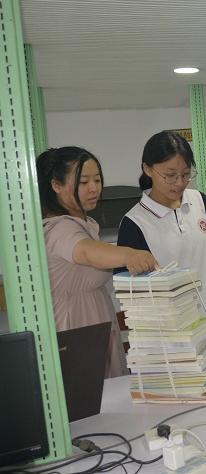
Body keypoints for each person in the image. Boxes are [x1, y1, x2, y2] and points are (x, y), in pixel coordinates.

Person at [116, 131, 206, 356]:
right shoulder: (134, 223)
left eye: (186, 174)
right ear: (147, 169)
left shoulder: (199, 202)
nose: (179, 183)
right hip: (175, 336)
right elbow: (133, 291)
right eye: (170, 175)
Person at [37, 147, 159, 378]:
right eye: (83, 182)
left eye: (97, 180)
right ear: (56, 185)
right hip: (75, 328)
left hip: (94, 321)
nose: (94, 188)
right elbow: (86, 252)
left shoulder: (82, 222)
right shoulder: (59, 228)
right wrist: (128, 254)